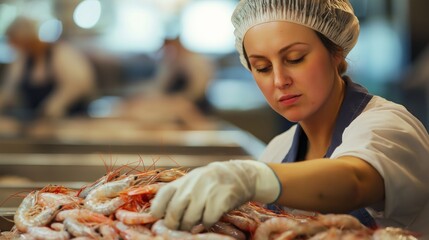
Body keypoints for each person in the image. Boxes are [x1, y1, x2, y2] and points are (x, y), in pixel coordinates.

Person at [150, 0, 429, 236]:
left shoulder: (390, 127)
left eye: (295, 58)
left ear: (336, 52)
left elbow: (354, 180)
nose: (279, 80)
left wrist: (251, 178)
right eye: (261, 67)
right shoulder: (277, 151)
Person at [0, 17, 96, 120]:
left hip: (73, 118)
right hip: (38, 122)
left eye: (17, 42)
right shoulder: (22, 59)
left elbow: (79, 84)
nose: (16, 47)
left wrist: (55, 105)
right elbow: (9, 89)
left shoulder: (60, 53)